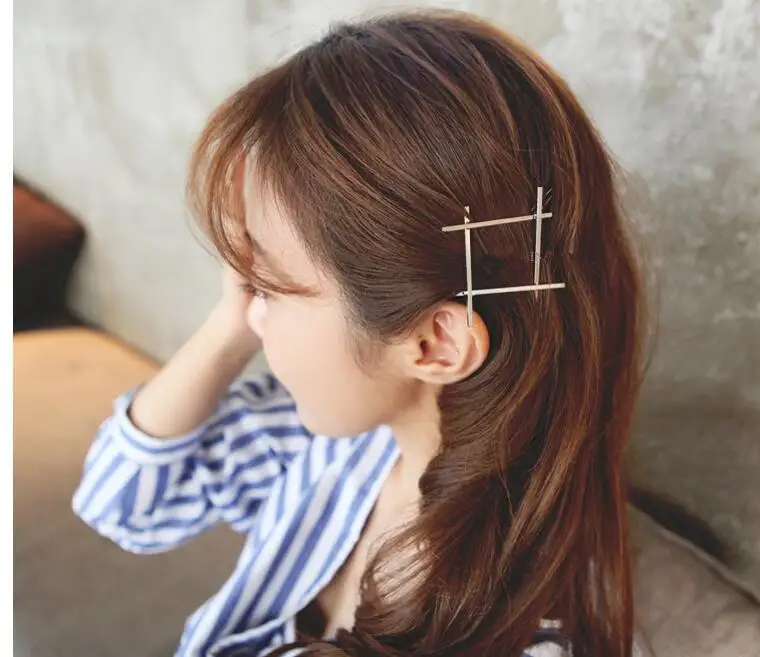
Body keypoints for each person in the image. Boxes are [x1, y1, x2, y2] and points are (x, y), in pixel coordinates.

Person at [73, 9, 649, 657]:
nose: (253, 316)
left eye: (269, 289)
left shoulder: (525, 633)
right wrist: (229, 324)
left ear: (435, 345)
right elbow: (122, 504)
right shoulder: (337, 450)